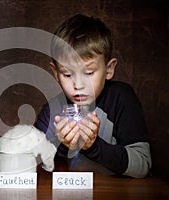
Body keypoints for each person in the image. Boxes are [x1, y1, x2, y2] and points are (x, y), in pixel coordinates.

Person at [34, 14, 152, 178]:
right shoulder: (51, 111)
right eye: (67, 74)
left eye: (88, 73)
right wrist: (61, 144)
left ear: (109, 69)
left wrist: (93, 146)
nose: (78, 85)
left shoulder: (121, 98)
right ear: (55, 73)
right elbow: (32, 167)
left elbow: (142, 164)